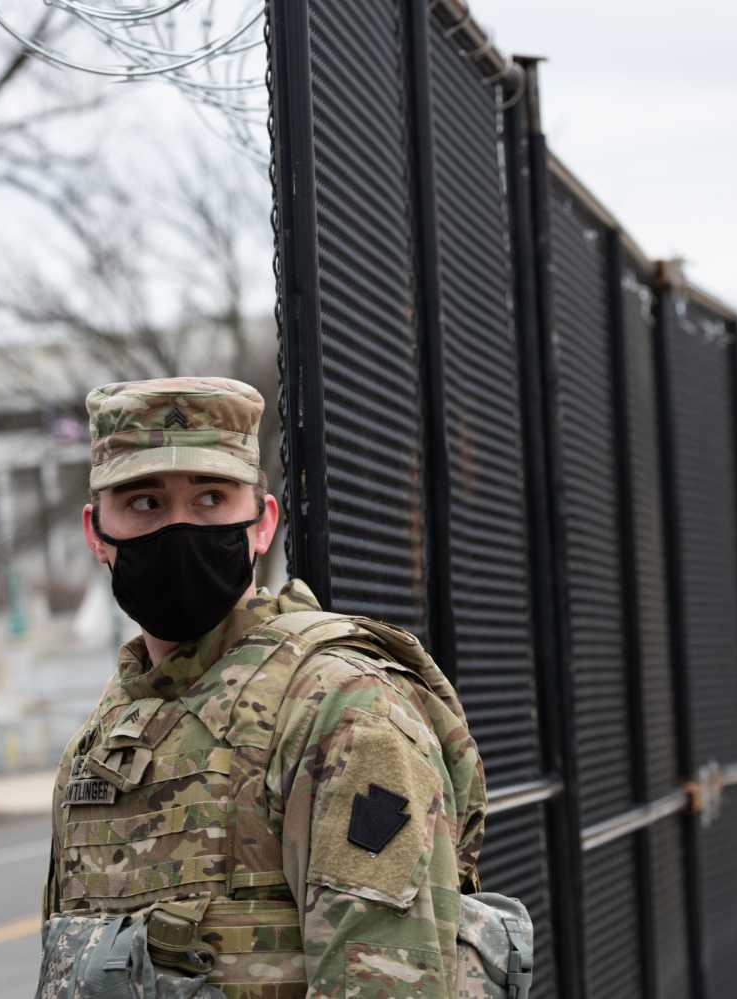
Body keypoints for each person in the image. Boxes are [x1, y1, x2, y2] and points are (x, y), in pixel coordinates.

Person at [38, 376, 492, 998]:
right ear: (97, 533)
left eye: (210, 499)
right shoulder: (111, 726)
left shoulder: (342, 706)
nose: (178, 528)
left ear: (262, 523)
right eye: (144, 502)